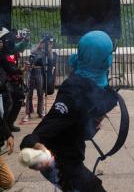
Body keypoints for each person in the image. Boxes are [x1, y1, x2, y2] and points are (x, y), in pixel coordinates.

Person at [20, 31, 118, 192]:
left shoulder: (84, 78)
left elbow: (81, 128)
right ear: (105, 60)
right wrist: (34, 146)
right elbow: (33, 138)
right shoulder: (72, 95)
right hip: (60, 164)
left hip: (72, 155)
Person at [23, 34, 57, 122]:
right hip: (31, 71)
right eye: (43, 41)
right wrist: (39, 44)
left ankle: (40, 111)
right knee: (29, 93)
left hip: (40, 72)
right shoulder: (36, 46)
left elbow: (51, 58)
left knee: (40, 93)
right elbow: (32, 51)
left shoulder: (47, 49)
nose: (44, 43)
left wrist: (49, 49)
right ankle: (28, 112)